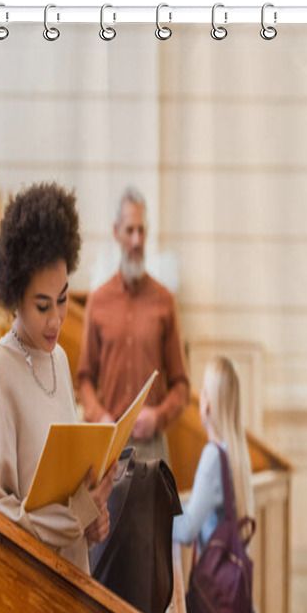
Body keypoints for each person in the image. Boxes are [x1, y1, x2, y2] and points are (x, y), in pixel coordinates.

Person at [0, 183, 115, 575]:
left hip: (74, 584)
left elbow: (66, 500)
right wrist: (80, 513)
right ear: (15, 296)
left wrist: (92, 523)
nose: (56, 320)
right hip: (31, 596)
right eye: (42, 305)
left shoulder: (61, 361)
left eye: (64, 299)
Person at [77, 186, 189, 461]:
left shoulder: (165, 300)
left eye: (141, 230)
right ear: (117, 232)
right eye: (130, 231)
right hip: (109, 446)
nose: (137, 240)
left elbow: (181, 386)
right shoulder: (98, 301)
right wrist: (99, 415)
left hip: (153, 449)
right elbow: (84, 380)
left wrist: (159, 416)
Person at [172, 356, 254, 613]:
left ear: (207, 401)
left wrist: (157, 515)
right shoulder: (239, 453)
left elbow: (188, 531)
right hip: (240, 611)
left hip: (216, 611)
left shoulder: (212, 455)